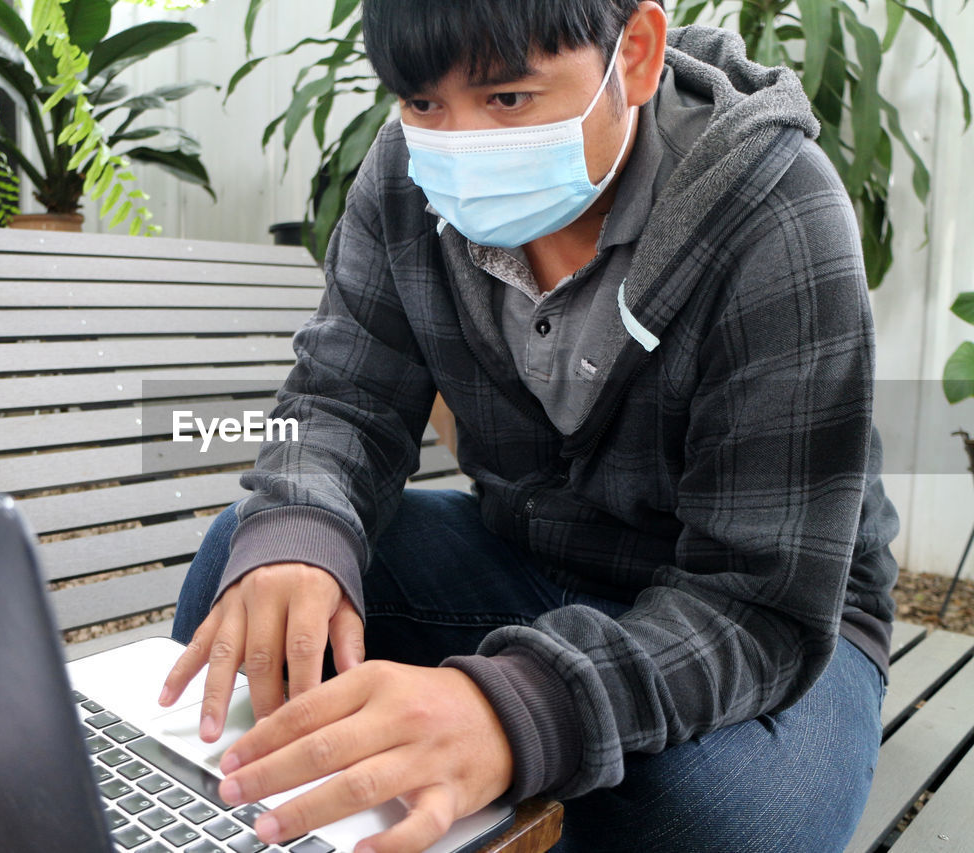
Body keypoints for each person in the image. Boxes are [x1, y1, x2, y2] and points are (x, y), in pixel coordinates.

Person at [160, 1, 900, 851]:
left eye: (508, 99)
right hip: (527, 558)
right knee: (255, 565)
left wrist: (519, 710)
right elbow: (342, 401)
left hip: (769, 625)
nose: (460, 143)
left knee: (698, 819)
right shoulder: (407, 174)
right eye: (422, 103)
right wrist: (301, 523)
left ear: (636, 54)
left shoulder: (777, 213)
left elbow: (758, 602)